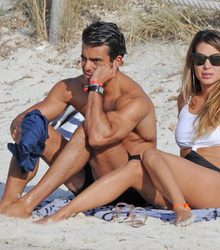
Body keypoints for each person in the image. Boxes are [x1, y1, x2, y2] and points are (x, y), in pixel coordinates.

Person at [35, 29, 220, 227]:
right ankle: (63, 213)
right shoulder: (185, 98)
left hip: (216, 186)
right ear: (192, 62)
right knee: (133, 168)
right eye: (200, 59)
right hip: (184, 184)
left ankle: (180, 208)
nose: (207, 66)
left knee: (149, 155)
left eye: (215, 59)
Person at [0, 21, 158, 218]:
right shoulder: (72, 87)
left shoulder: (134, 100)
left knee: (89, 129)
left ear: (117, 61)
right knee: (35, 123)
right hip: (85, 179)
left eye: (96, 61)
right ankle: (7, 204)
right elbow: (19, 122)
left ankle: (28, 203)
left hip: (129, 187)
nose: (87, 67)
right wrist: (27, 134)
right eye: (83, 59)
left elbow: (98, 139)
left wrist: (95, 86)